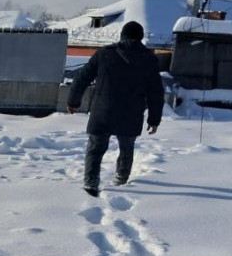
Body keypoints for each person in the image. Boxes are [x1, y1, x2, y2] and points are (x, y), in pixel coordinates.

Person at [67, 20, 165, 196]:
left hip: (103, 110)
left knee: (96, 148)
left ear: (122, 35)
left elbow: (82, 78)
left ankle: (91, 181)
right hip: (132, 113)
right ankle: (121, 179)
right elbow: (156, 92)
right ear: (141, 38)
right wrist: (154, 119)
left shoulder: (104, 54)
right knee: (127, 147)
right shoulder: (149, 59)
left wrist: (73, 101)